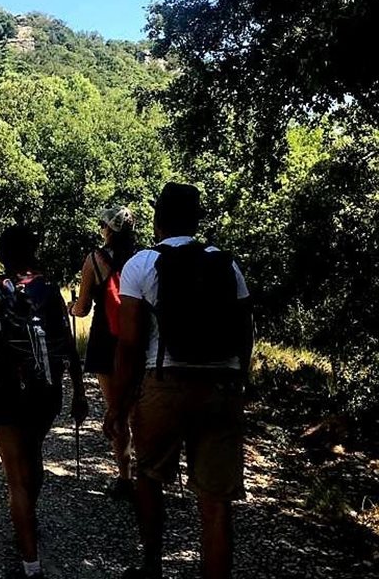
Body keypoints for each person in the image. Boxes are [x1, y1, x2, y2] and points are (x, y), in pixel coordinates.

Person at [109, 182, 253, 579]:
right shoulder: (227, 263)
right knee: (216, 499)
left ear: (157, 219)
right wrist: (239, 382)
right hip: (221, 386)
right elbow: (245, 332)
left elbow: (130, 345)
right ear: (197, 218)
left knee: (150, 475)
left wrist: (118, 406)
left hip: (165, 383)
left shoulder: (141, 264)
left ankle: (152, 565)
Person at [0, 226, 89, 579]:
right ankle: (29, 521)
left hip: (5, 387)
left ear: (1, 256)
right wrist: (79, 393)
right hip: (46, 389)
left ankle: (30, 562)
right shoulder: (51, 290)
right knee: (33, 454)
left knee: (15, 479)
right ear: (33, 253)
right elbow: (68, 346)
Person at [70, 206, 137, 499]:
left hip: (105, 339)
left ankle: (125, 477)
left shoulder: (94, 260)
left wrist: (71, 307)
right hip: (138, 339)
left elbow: (82, 309)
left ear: (108, 230)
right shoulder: (144, 259)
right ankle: (150, 473)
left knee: (116, 408)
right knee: (138, 408)